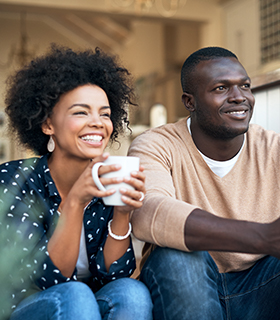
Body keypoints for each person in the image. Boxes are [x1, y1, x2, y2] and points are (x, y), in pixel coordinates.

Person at [0, 44, 152, 320]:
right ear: (47, 124)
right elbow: (48, 283)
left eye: (104, 114)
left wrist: (122, 212)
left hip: (84, 307)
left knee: (132, 292)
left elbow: (114, 275)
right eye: (81, 112)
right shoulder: (15, 182)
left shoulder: (107, 178)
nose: (97, 122)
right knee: (75, 294)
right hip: (27, 307)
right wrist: (74, 202)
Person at [128, 46, 280, 320]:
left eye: (244, 86)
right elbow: (147, 212)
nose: (239, 97)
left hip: (263, 286)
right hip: (187, 286)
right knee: (177, 258)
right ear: (190, 101)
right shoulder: (156, 145)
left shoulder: (273, 148)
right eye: (221, 88)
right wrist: (263, 237)